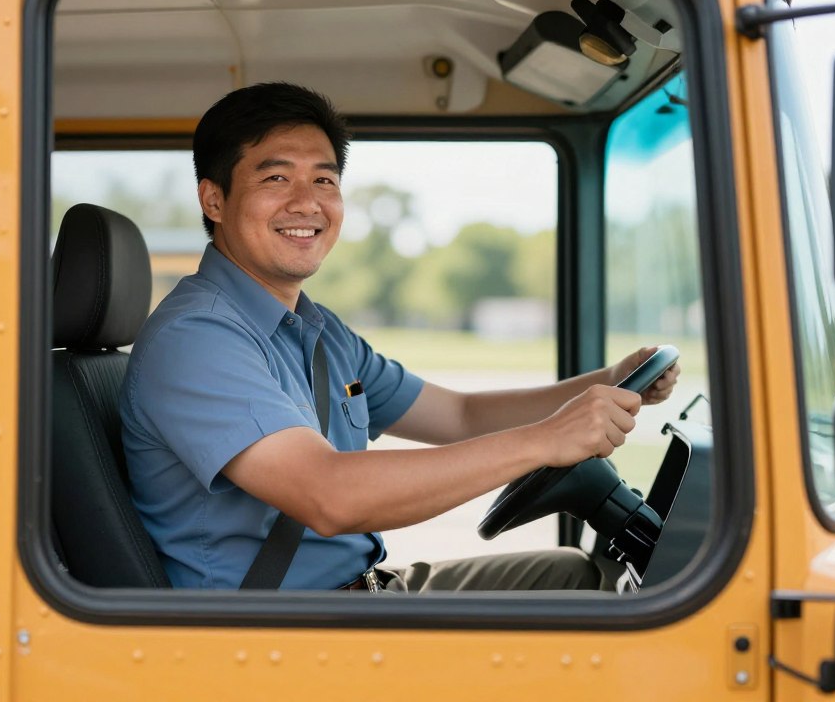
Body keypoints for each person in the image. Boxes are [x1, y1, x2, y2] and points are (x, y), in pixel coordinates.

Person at [119, 82, 680, 592]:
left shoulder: (318, 331)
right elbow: (330, 496)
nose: (307, 202)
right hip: (280, 634)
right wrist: (545, 441)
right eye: (275, 178)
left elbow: (458, 415)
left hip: (366, 590)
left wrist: (607, 383)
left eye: (324, 179)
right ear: (213, 199)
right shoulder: (197, 337)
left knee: (575, 578)